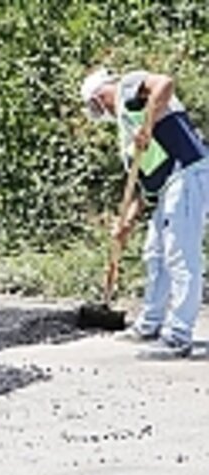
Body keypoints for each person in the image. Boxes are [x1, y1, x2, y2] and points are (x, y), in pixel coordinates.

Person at [80, 67, 209, 358]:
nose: (100, 112)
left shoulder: (128, 87)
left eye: (95, 105)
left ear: (100, 95)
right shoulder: (126, 130)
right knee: (155, 253)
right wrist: (126, 222)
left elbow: (165, 83)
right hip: (167, 187)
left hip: (187, 172)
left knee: (179, 255)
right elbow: (142, 184)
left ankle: (178, 335)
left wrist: (148, 126)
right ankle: (150, 324)